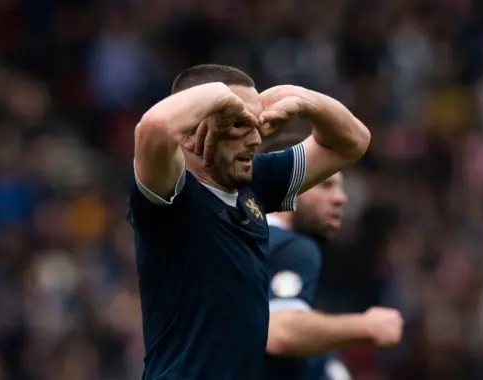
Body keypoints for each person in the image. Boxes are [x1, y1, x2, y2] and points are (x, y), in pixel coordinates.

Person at [127, 64, 371, 380]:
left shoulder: (254, 185)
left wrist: (301, 99)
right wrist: (218, 95)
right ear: (192, 134)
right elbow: (155, 126)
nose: (256, 139)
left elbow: (352, 142)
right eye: (239, 124)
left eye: (258, 125)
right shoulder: (173, 198)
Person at [261, 133, 403, 380]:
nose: (341, 198)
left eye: (340, 186)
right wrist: (365, 325)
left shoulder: (227, 237)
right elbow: (279, 331)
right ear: (286, 184)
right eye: (325, 184)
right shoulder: (291, 248)